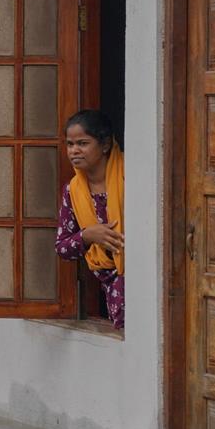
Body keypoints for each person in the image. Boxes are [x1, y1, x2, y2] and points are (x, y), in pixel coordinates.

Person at [54, 110, 126, 329]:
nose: (74, 150)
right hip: (112, 289)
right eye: (70, 144)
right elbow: (62, 247)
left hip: (144, 282)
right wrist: (87, 235)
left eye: (83, 143)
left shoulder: (132, 176)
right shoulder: (73, 190)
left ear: (104, 145)